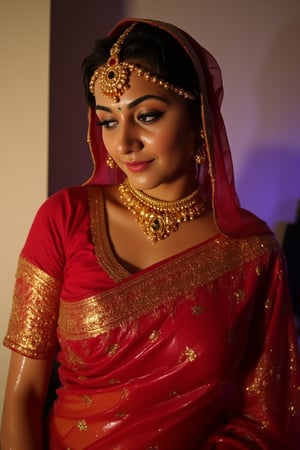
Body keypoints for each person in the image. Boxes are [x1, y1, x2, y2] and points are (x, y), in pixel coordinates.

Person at [1, 18, 300, 450]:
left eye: (147, 116)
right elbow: (23, 396)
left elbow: (267, 416)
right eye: (107, 121)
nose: (123, 143)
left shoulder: (251, 252)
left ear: (199, 117)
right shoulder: (64, 218)